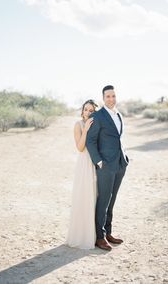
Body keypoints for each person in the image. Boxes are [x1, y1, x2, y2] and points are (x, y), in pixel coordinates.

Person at [86, 85, 129, 251]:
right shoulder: (98, 116)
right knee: (103, 200)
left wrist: (125, 157)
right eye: (108, 96)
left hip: (120, 163)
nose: (111, 99)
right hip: (105, 165)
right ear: (103, 98)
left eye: (113, 96)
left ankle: (108, 232)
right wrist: (99, 161)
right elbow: (90, 141)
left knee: (112, 200)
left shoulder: (119, 114)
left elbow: (118, 138)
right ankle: (99, 237)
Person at [66, 99, 99, 249]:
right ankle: (82, 236)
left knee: (95, 196)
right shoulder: (78, 125)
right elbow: (80, 147)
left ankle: (95, 235)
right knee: (83, 197)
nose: (88, 112)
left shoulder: (97, 124)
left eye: (91, 110)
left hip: (95, 162)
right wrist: (85, 129)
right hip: (84, 164)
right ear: (82, 110)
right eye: (86, 109)